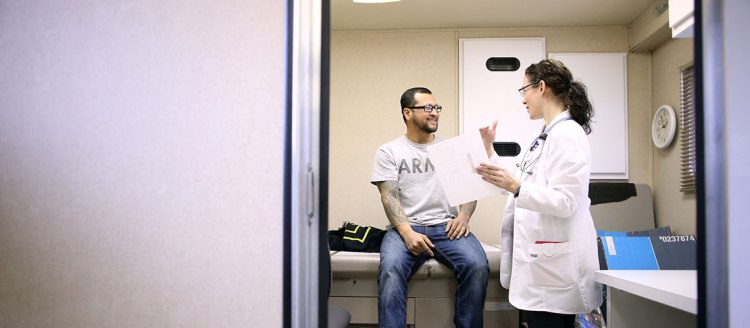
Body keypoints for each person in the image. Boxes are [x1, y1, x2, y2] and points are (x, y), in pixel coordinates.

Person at [475, 59, 603, 328]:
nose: (523, 99)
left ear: (541, 87)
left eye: (524, 90)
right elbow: (517, 181)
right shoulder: (543, 136)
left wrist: (517, 187)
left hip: (556, 274)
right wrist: (489, 150)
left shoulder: (567, 134)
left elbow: (567, 201)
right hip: (544, 269)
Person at [371, 87, 489, 328]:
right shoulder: (389, 151)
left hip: (446, 227)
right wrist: (406, 232)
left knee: (477, 266)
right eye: (427, 108)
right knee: (390, 270)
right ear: (407, 113)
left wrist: (464, 217)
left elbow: (469, 191)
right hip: (406, 228)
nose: (434, 113)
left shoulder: (451, 149)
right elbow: (388, 197)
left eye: (436, 107)